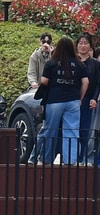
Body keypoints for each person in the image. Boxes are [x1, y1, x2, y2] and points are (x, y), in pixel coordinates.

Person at [38, 36, 88, 164]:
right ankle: (70, 161)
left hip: (54, 100)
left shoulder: (51, 63)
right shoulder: (79, 64)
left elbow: (44, 81)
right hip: (73, 100)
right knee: (72, 131)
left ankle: (46, 159)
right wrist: (80, 98)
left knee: (50, 130)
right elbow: (85, 82)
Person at [25, 32, 53, 162]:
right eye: (44, 41)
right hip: (40, 90)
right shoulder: (35, 56)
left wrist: (50, 52)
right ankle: (35, 156)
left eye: (48, 42)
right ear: (40, 42)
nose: (46, 44)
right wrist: (33, 83)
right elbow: (31, 72)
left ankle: (42, 155)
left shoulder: (53, 54)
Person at [74, 33, 100, 165]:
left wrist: (94, 98)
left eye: (85, 43)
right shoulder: (72, 60)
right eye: (80, 43)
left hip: (87, 100)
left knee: (84, 130)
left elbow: (97, 83)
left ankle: (81, 158)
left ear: (90, 46)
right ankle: (70, 156)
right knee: (71, 130)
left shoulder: (95, 63)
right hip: (72, 99)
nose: (83, 46)